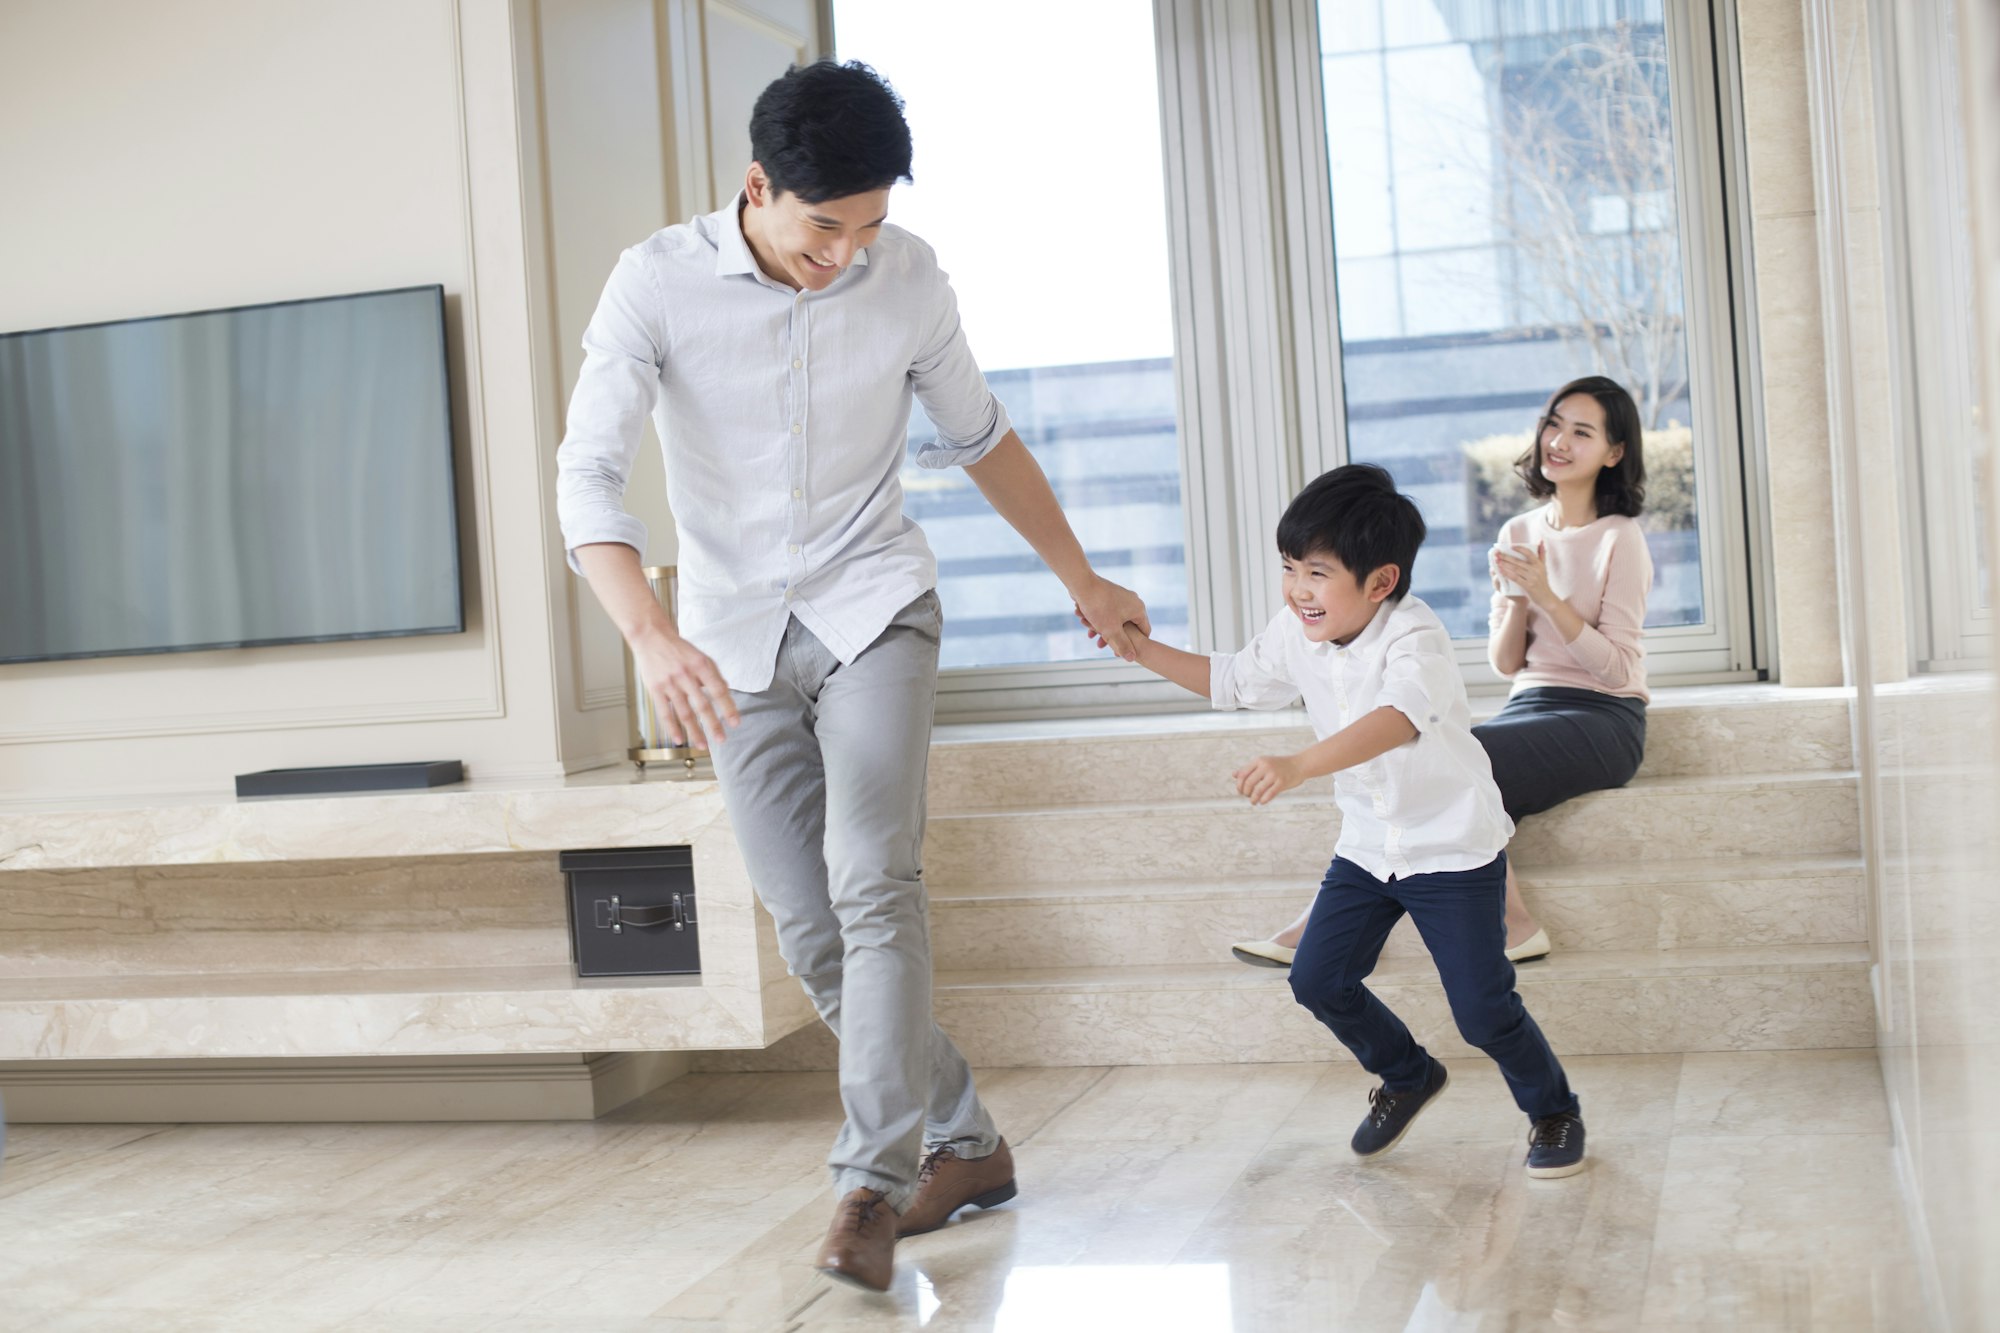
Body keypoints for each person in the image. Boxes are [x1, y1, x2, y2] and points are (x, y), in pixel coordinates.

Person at [555, 60, 1149, 1292]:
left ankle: (866, 1186)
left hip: (875, 606)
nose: (844, 253)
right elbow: (586, 482)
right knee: (811, 927)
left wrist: (1079, 577)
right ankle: (967, 1142)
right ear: (756, 189)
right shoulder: (655, 283)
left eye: (866, 226)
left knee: (875, 881)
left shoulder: (908, 274)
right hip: (729, 642)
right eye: (823, 227)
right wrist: (651, 640)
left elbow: (981, 437)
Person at [1105, 463, 1588, 1177]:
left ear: (1380, 582)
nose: (1298, 588)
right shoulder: (1296, 630)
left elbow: (1396, 719)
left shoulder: (1415, 635)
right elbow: (1233, 679)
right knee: (1316, 978)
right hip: (1369, 846)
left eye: (1318, 572)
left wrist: (1300, 764)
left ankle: (1554, 1112)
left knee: (1484, 1011)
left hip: (1450, 847)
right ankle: (1406, 1073)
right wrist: (1138, 647)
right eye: (1290, 567)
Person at [1229, 376, 1652, 968]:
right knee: (1444, 751)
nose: (1558, 440)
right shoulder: (1518, 534)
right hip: (1530, 703)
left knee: (1465, 757)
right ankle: (1343, 917)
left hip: (1606, 718)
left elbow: (1618, 671)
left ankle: (1510, 920)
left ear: (1614, 453)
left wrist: (1548, 595)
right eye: (1553, 424)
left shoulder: (1620, 538)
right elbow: (1506, 663)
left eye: (1581, 432)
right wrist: (1521, 598)